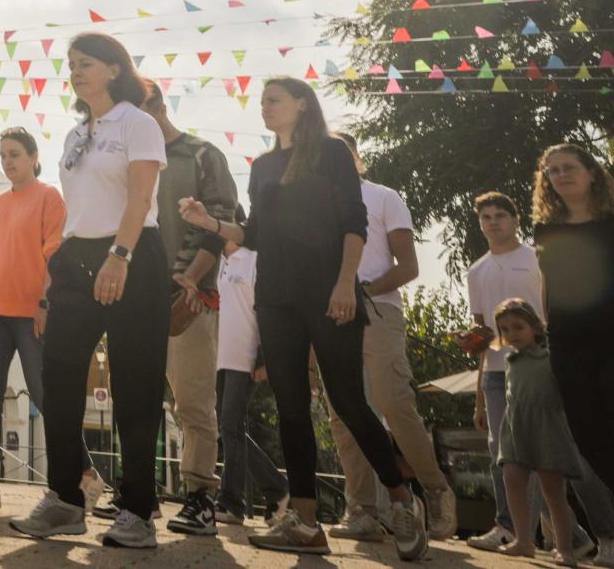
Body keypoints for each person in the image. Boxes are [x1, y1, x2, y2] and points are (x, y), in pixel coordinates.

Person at [179, 77, 428, 560]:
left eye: (273, 99)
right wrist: (209, 223)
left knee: (350, 403)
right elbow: (254, 234)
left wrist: (344, 283)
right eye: (262, 101)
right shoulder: (263, 165)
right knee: (292, 410)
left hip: (328, 292)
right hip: (275, 298)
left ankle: (401, 500)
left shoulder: (332, 153)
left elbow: (353, 222)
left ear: (301, 104)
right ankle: (308, 523)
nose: (264, 107)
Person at [7, 34, 169, 549]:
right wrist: (59, 274)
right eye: (72, 64)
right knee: (55, 377)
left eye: (87, 63)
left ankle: (138, 511)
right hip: (75, 260)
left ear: (116, 69)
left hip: (132, 254)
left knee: (136, 386)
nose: (76, 71)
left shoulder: (137, 124)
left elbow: (140, 196)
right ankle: (64, 501)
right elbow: (77, 209)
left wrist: (119, 257)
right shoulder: (78, 132)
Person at [323, 132, 456, 540]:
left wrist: (359, 291)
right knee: (342, 415)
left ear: (357, 159)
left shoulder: (383, 197)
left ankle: (434, 489)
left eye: (341, 153)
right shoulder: (314, 206)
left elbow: (409, 267)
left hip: (378, 310)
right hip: (329, 318)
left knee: (393, 404)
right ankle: (362, 510)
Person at [0, 127, 83, 511]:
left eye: (15, 154)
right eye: (4, 156)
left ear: (33, 157)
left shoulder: (49, 197)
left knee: (46, 396)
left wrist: (46, 304)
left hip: (32, 313)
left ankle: (86, 474)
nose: (8, 161)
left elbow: (55, 255)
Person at [142, 83, 238, 537]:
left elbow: (219, 225)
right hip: (137, 297)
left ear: (160, 107)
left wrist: (191, 279)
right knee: (138, 398)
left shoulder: (203, 154)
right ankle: (137, 494)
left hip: (190, 296)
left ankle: (200, 497)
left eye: (139, 107)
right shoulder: (133, 161)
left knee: (193, 402)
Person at [467, 190, 551, 551]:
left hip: (540, 365)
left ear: (516, 219)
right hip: (497, 373)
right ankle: (508, 528)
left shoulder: (536, 259)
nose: (493, 222)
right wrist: (479, 400)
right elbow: (482, 334)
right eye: (486, 217)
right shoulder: (476, 270)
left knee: (547, 450)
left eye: (500, 214)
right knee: (500, 451)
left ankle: (572, 533)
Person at [532, 142, 614, 495]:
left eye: (569, 167)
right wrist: (546, 332)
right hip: (566, 342)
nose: (561, 175)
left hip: (611, 337)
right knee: (586, 434)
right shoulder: (546, 229)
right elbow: (550, 285)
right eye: (554, 170)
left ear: (591, 173)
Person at [492, 299, 587, 563]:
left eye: (518, 327)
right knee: (511, 478)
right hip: (515, 427)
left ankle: (565, 548)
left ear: (535, 327)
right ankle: (523, 540)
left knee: (552, 490)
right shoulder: (511, 361)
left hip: (547, 428)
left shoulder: (550, 358)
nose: (512, 334)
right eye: (506, 329)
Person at [212, 241, 289, 524]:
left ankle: (232, 501)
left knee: (231, 425)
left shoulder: (254, 258)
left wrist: (264, 356)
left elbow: (268, 307)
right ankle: (277, 489)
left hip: (246, 356)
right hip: (221, 356)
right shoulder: (217, 261)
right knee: (230, 428)